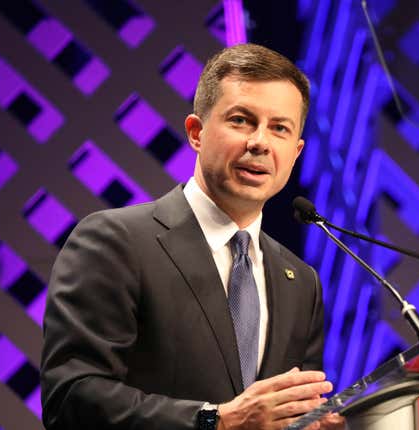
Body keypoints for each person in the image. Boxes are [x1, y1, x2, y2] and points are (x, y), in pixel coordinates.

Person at [40, 43, 342, 430]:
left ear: (295, 152)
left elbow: (290, 412)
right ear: (196, 133)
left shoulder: (301, 282)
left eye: (279, 128)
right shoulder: (115, 241)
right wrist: (215, 421)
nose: (260, 142)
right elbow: (71, 398)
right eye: (241, 120)